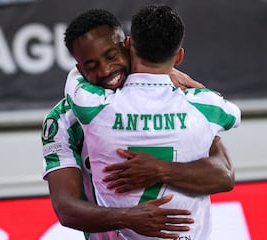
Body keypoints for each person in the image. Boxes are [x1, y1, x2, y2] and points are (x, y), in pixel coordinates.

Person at [43, 8, 235, 240]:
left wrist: (160, 169)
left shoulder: (174, 96)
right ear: (79, 68)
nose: (105, 70)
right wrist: (128, 217)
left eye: (111, 56)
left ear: (128, 47)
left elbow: (223, 175)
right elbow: (66, 208)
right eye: (91, 65)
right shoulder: (62, 119)